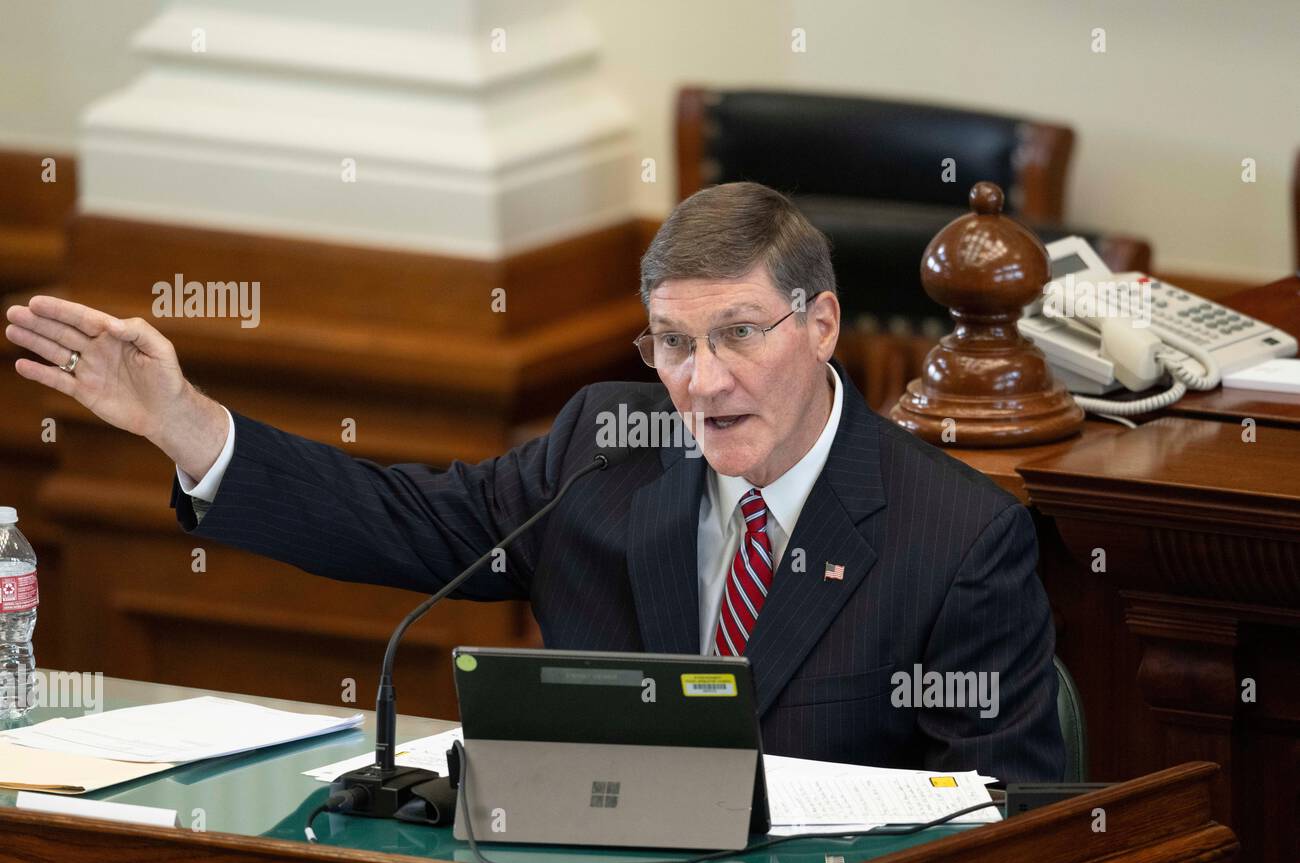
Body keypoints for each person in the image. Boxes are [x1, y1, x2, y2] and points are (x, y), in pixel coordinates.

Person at [5, 182, 1065, 783]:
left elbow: (1013, 819)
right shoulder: (609, 444)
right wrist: (184, 423)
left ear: (820, 323)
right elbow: (404, 521)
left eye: (738, 334)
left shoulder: (956, 536)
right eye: (671, 343)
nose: (701, 381)